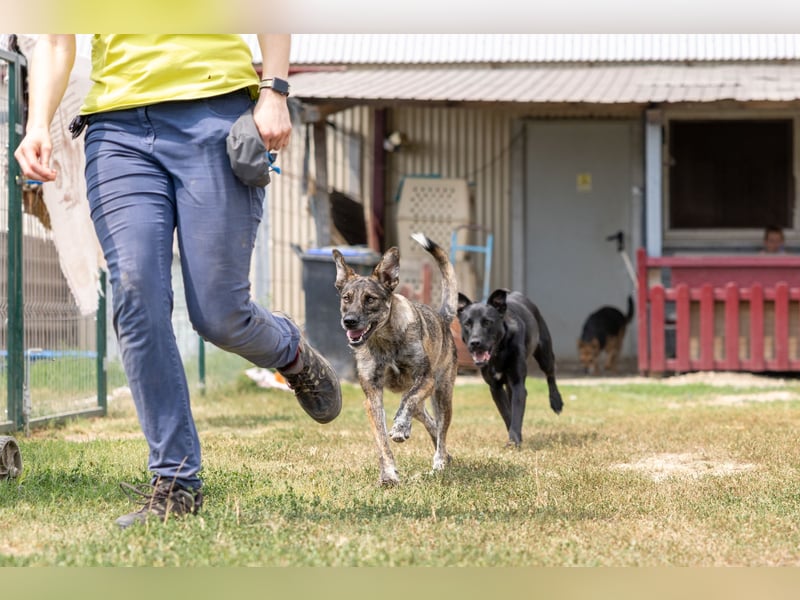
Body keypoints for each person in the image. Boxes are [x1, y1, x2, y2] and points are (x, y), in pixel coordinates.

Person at [14, 34, 342, 528]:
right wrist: (38, 122)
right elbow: (57, 39)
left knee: (219, 313)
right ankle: (175, 481)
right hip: (116, 128)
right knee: (134, 293)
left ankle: (290, 351)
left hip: (212, 114)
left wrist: (274, 90)